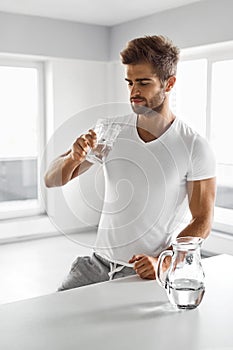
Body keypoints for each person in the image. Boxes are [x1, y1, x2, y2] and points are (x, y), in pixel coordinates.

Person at [44, 35, 216, 291]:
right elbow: (51, 179)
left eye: (143, 83)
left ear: (169, 84)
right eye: (130, 83)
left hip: (143, 271)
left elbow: (202, 219)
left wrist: (163, 261)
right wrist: (73, 157)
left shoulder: (193, 146)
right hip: (95, 265)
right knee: (53, 324)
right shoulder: (110, 130)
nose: (134, 92)